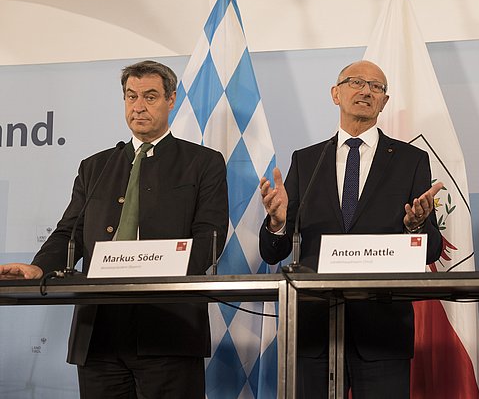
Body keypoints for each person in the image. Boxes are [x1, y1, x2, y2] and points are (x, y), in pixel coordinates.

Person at [0, 60, 228, 399]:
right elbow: (70, 232)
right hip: (99, 336)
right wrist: (38, 267)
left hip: (168, 330)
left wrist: (157, 265)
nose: (138, 106)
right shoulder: (96, 166)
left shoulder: (203, 162)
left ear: (171, 99)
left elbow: (210, 240)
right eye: (131, 96)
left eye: (150, 96)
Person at [259, 60, 443, 399]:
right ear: (336, 93)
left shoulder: (410, 160)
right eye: (356, 82)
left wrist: (415, 228)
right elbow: (273, 251)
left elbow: (430, 250)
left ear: (384, 102)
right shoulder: (306, 160)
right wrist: (278, 222)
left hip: (381, 329)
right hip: (313, 330)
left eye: (376, 87)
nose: (366, 91)